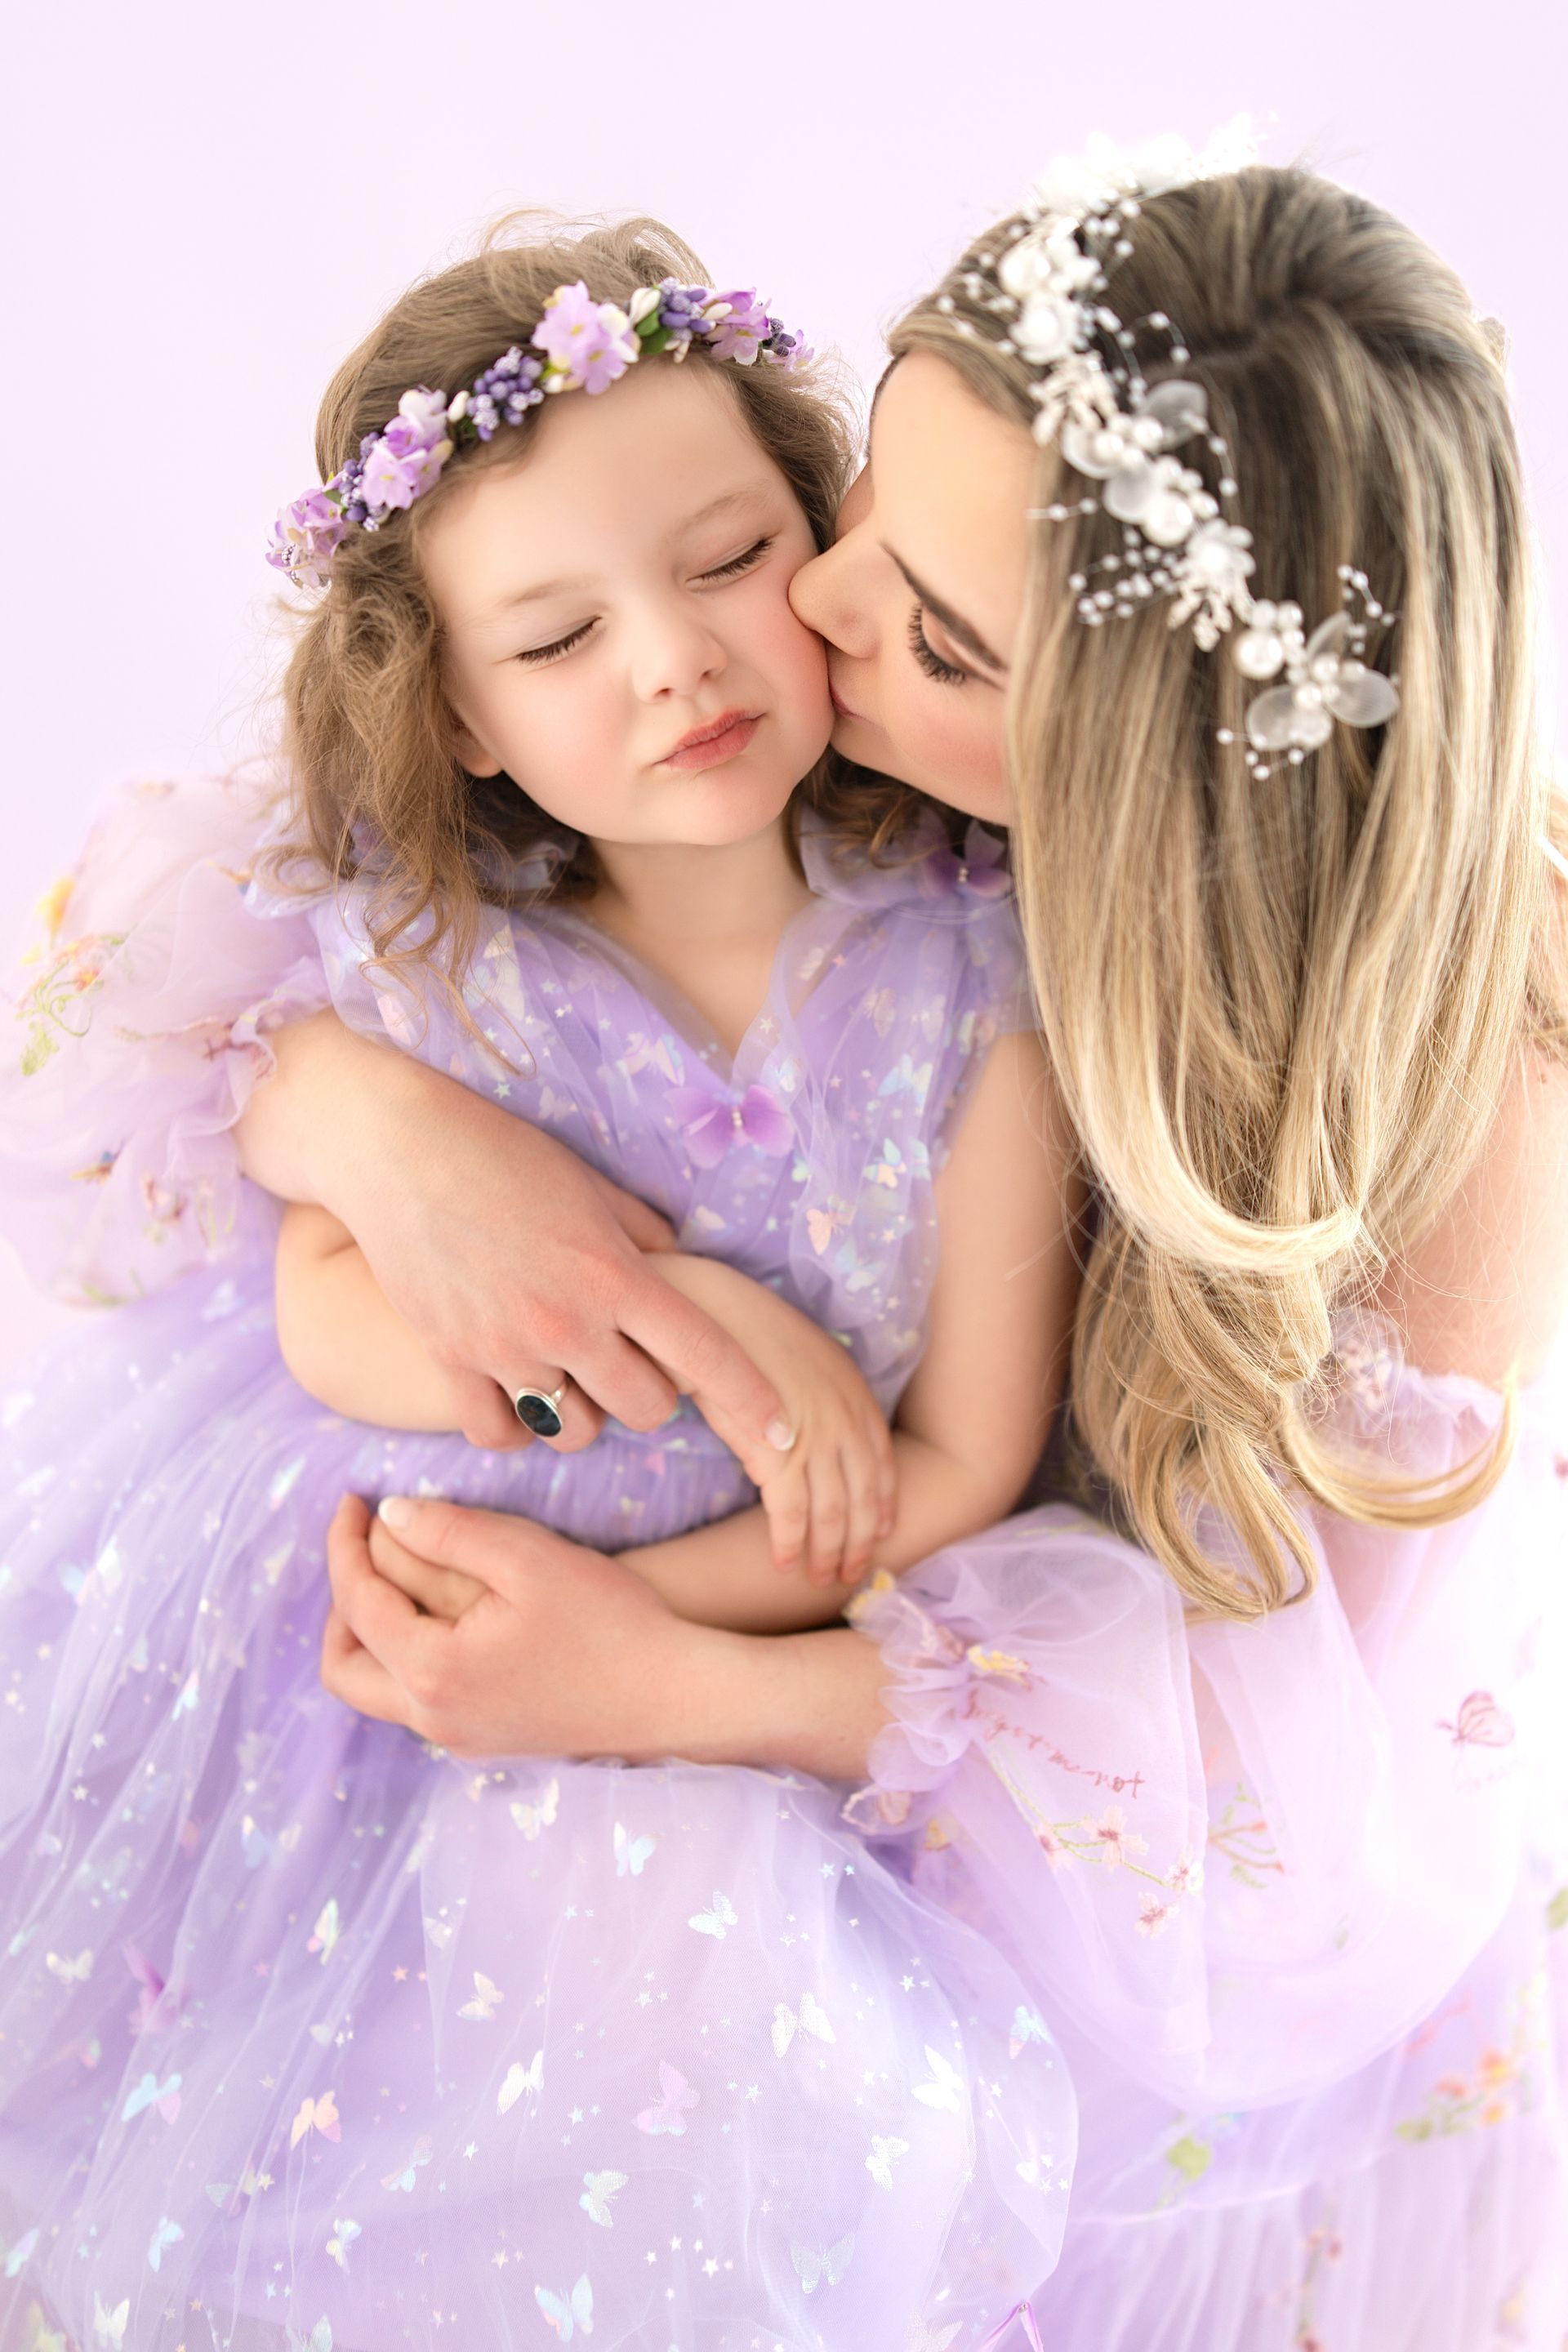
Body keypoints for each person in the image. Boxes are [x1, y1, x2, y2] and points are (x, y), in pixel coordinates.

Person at [6, 133, 1568, 2350]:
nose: (800, 626)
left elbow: (1264, 1790)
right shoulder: (784, 755)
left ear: (1129, 775)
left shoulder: (1421, 1109)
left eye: (916, 626)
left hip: (1064, 1838)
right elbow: (187, 993)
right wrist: (371, 1129)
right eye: (859, 522)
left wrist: (659, 1677)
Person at [0, 216, 1085, 2349]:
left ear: (833, 536)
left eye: (721, 559)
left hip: (703, 1670)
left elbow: (965, 1443)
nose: (670, 660)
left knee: (723, 2134)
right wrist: (681, 1327)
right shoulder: (436, 974)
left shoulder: (980, 983)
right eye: (561, 635)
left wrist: (636, 1624)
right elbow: (317, 1297)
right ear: (470, 723)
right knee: (265, 2113)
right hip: (361, 1632)